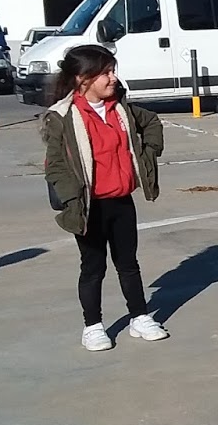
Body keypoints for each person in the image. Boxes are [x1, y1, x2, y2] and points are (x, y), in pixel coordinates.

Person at [41, 45, 169, 351]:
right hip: (89, 206)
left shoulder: (121, 108)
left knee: (128, 263)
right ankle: (93, 326)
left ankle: (140, 317)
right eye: (106, 73)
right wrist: (72, 198)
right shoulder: (62, 117)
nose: (113, 78)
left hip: (121, 201)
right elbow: (55, 166)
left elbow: (152, 123)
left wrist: (148, 155)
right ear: (83, 79)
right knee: (93, 267)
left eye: (113, 71)